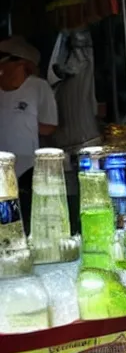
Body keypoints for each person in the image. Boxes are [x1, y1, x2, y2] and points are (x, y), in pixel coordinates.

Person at [0, 36, 58, 229]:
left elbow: (49, 125)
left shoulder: (38, 87)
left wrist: (25, 124)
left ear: (21, 64)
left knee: (24, 219)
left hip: (26, 168)